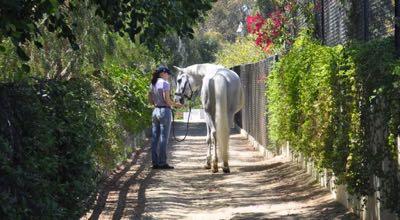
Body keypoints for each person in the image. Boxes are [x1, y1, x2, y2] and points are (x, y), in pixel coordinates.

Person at [148, 66, 182, 169]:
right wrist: (177, 105)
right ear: (162, 73)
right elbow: (167, 100)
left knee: (155, 138)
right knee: (163, 137)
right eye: (167, 73)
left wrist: (156, 103)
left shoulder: (152, 84)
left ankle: (155, 162)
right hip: (164, 111)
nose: (168, 75)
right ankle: (162, 163)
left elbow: (150, 100)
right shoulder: (165, 83)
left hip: (155, 111)